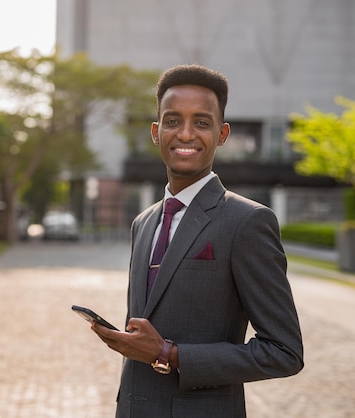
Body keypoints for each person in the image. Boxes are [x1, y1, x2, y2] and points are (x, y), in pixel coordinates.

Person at [91, 64, 304, 417]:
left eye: (201, 123)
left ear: (222, 134)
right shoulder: (143, 223)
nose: (186, 134)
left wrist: (170, 355)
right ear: (157, 132)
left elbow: (284, 352)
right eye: (173, 121)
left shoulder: (248, 222)